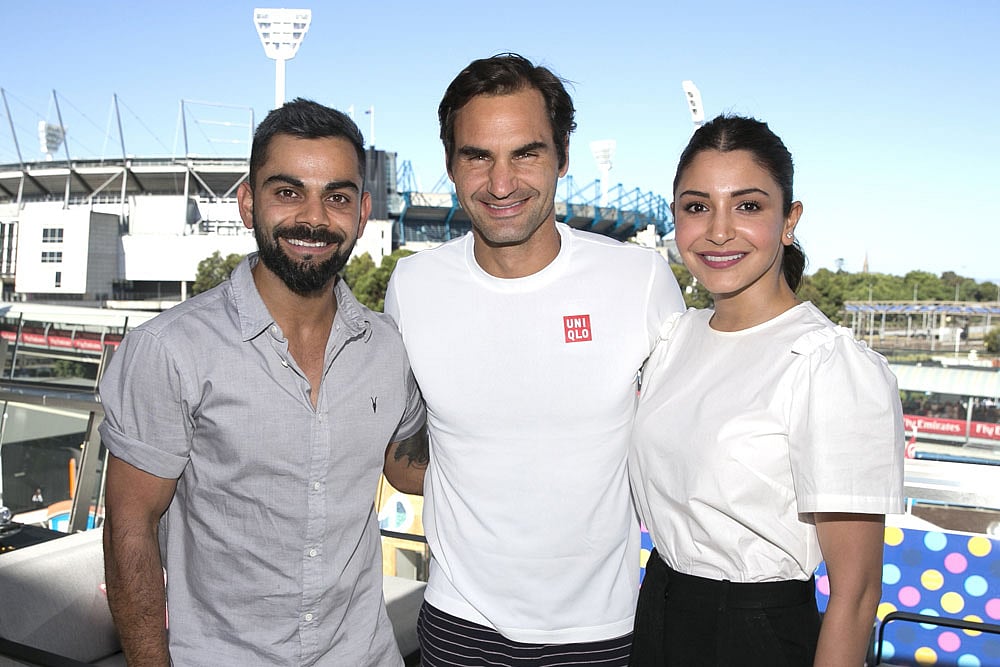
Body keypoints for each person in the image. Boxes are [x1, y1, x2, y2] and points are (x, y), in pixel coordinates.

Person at [382, 54, 685, 666]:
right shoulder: (411, 286)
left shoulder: (639, 278)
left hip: (605, 631)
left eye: (526, 153)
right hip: (458, 622)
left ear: (562, 158)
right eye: (477, 156)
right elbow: (401, 454)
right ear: (450, 164)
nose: (502, 183)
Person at [100, 98, 426, 666]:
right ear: (248, 203)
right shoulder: (170, 350)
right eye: (288, 191)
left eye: (337, 197)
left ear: (363, 210)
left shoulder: (387, 346)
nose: (315, 218)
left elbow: (404, 468)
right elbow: (130, 526)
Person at [628, 115, 904, 666]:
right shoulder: (673, 339)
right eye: (697, 206)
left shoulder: (828, 365)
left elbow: (855, 596)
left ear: (788, 220)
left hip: (755, 637)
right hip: (656, 612)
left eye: (748, 206)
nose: (719, 230)